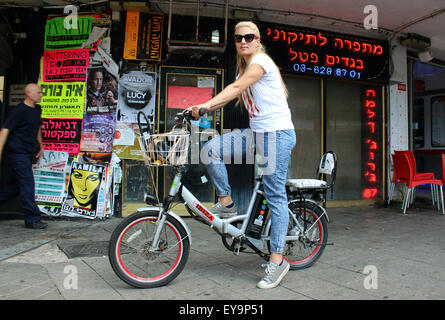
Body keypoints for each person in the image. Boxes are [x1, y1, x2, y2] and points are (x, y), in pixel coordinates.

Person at [190, 21, 296, 289]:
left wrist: (206, 104)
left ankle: (277, 261)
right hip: (256, 135)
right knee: (211, 149)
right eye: (238, 38)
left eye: (249, 36)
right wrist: (202, 108)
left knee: (274, 194)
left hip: (277, 135)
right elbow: (229, 95)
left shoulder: (261, 61)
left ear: (258, 40)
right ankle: (227, 202)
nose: (243, 41)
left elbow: (235, 91)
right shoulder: (242, 72)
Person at [0, 83, 46, 229]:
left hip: (27, 153)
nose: (41, 95)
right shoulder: (18, 111)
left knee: (15, 186)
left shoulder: (36, 110)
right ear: (29, 93)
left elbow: (37, 127)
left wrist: (41, 145)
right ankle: (32, 218)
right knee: (27, 183)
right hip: (17, 152)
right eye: (38, 92)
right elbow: (4, 131)